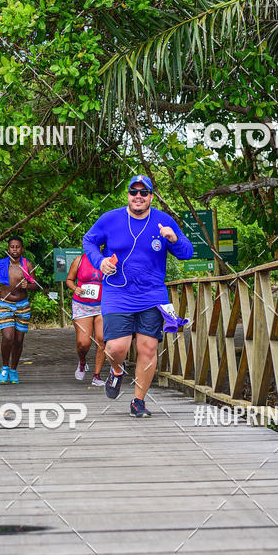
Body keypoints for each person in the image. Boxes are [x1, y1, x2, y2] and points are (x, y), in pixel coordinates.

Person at [82, 175, 193, 417]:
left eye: (144, 193)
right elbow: (88, 241)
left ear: (151, 197)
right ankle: (117, 371)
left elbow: (187, 252)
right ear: (128, 196)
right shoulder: (110, 219)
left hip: (152, 294)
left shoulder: (164, 221)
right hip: (117, 292)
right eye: (134, 192)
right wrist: (100, 261)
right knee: (115, 348)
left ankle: (138, 401)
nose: (139, 197)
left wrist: (173, 239)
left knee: (148, 348)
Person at [0, 236, 36, 384]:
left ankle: (13, 369)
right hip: (5, 304)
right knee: (8, 337)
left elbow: (35, 285)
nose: (14, 249)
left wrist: (27, 286)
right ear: (8, 249)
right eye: (12, 247)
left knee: (18, 339)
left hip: (22, 304)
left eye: (17, 247)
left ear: (21, 249)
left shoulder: (27, 265)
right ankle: (4, 367)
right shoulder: (2, 264)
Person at [66, 252, 106, 386]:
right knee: (83, 343)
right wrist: (75, 288)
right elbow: (69, 279)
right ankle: (82, 362)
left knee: (102, 339)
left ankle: (97, 376)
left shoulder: (109, 259)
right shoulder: (79, 260)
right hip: (82, 306)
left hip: (103, 306)